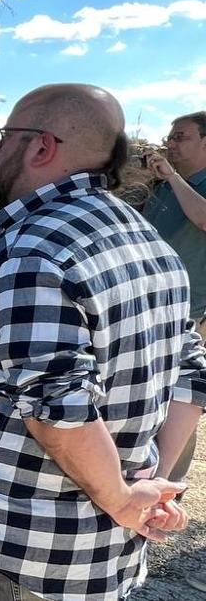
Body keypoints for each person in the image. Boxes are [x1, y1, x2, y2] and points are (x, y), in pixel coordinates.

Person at [0, 83, 206, 601]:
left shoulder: (34, 251)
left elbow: (60, 408)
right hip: (101, 562)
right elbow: (191, 373)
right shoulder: (151, 243)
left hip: (10, 555)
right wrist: (151, 484)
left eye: (1, 137)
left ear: (40, 146)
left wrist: (125, 499)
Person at [141, 112, 206, 593]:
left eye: (180, 137)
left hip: (193, 317)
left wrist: (173, 177)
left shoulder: (184, 184)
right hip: (148, 314)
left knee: (181, 409)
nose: (170, 144)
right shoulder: (163, 185)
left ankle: (164, 498)